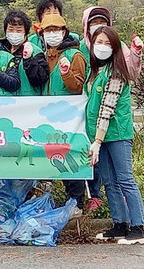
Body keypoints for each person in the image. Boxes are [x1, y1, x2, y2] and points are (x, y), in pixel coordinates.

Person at [87, 26, 144, 245]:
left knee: (125, 179)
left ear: (115, 48)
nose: (101, 47)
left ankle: (138, 227)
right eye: (98, 42)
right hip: (99, 137)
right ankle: (120, 223)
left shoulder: (116, 73)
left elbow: (106, 109)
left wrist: (97, 140)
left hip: (117, 134)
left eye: (107, 43)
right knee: (110, 182)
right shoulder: (96, 72)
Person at [39, 13, 87, 216]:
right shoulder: (44, 55)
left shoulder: (74, 55)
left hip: (70, 116)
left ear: (64, 32)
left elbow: (78, 87)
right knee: (52, 156)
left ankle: (76, 201)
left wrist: (67, 73)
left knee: (71, 157)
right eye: (48, 31)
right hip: (48, 116)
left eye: (56, 30)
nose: (52, 34)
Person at [0, 10, 49, 96]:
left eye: (18, 30)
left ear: (25, 32)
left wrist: (29, 60)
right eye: (11, 29)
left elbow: (40, 80)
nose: (14, 33)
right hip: (4, 102)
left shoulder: (36, 52)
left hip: (27, 103)